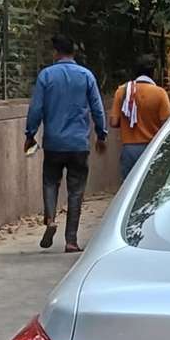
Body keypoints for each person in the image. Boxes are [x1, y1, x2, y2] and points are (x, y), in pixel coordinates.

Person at [24, 34, 107, 253]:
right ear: (73, 52)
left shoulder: (46, 75)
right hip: (79, 144)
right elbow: (97, 108)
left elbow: (36, 108)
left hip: (53, 143)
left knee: (50, 181)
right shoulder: (86, 76)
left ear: (56, 52)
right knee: (76, 191)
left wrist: (30, 133)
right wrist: (102, 134)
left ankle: (50, 218)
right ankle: (71, 240)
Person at [109, 54, 170, 181]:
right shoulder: (159, 93)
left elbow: (114, 122)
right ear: (154, 72)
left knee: (129, 189)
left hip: (129, 150)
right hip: (152, 148)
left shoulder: (122, 91)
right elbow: (167, 123)